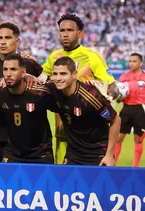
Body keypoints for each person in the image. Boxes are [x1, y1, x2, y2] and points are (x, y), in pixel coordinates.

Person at [42, 14, 118, 164]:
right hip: (63, 128)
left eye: (69, 30)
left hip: (90, 129)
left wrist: (110, 96)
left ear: (79, 33)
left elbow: (112, 86)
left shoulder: (92, 57)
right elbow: (41, 80)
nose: (65, 34)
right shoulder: (54, 57)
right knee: (64, 178)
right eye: (62, 30)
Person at [0, 21, 44, 161]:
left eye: (8, 38)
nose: (3, 42)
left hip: (26, 136)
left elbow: (48, 85)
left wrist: (29, 76)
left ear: (17, 41)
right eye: (0, 38)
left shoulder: (29, 63)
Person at [49, 57, 120, 166]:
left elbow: (116, 120)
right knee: (67, 182)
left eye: (63, 74)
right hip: (73, 153)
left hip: (97, 153)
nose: (58, 78)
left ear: (74, 75)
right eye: (55, 74)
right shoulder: (54, 89)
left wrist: (109, 155)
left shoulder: (90, 97)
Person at [0, 54, 55, 163]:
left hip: (40, 153)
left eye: (13, 69)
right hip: (13, 153)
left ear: (23, 72)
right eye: (5, 69)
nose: (8, 74)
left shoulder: (40, 93)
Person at [115, 53, 145, 167]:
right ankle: (113, 164)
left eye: (134, 61)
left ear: (141, 63)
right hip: (126, 109)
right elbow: (118, 99)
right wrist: (119, 96)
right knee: (118, 138)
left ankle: (135, 167)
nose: (131, 63)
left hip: (140, 110)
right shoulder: (123, 77)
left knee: (138, 139)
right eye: (130, 61)